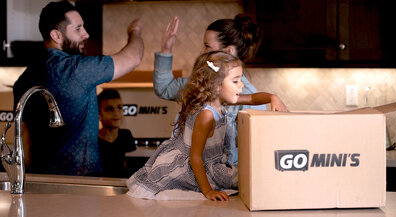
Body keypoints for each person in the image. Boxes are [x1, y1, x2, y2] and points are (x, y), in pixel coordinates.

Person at [12, 0, 144, 176]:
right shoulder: (76, 70)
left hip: (41, 182)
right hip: (81, 183)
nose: (86, 34)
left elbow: (24, 140)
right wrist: (134, 32)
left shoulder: (23, 80)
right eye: (78, 29)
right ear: (56, 36)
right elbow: (133, 57)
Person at [128, 51, 278, 201]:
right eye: (235, 81)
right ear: (217, 85)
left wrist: (273, 98)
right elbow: (195, 158)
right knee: (247, 178)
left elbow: (252, 98)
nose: (241, 85)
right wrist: (208, 191)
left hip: (208, 164)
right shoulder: (206, 115)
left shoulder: (218, 101)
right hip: (191, 168)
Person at [153, 15, 288, 165]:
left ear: (228, 51)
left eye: (207, 46)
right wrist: (166, 49)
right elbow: (164, 89)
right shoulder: (200, 84)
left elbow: (256, 151)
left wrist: (272, 97)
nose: (201, 52)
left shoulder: (244, 95)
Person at [98, 89, 136, 178]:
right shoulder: (94, 140)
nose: (116, 113)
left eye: (119, 108)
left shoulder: (126, 135)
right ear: (99, 114)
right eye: (109, 109)